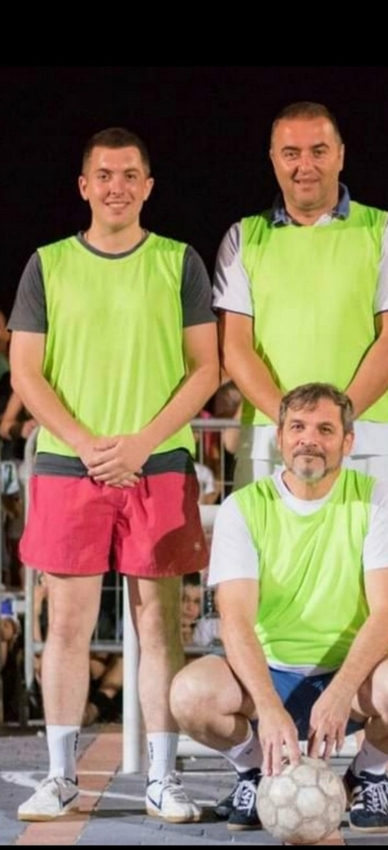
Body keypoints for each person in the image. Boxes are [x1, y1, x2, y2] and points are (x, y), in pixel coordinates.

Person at [9, 127, 219, 823]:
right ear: (84, 185)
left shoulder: (179, 262)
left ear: (148, 186)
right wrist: (86, 443)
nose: (117, 186)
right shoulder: (47, 264)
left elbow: (206, 369)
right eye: (104, 174)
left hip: (156, 464)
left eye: (130, 174)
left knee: (159, 626)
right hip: (70, 465)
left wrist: (141, 444)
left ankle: (163, 777)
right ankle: (60, 776)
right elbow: (27, 373)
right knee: (66, 625)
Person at [170, 383, 388, 834]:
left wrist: (339, 692)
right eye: (297, 427)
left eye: (325, 429)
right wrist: (269, 707)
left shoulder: (375, 498)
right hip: (268, 673)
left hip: (349, 676)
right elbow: (235, 621)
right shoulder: (243, 507)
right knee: (189, 694)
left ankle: (367, 775)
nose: (309, 439)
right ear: (279, 437)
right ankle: (256, 773)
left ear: (347, 442)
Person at [213, 101, 388, 500]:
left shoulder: (386, 231)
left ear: (340, 155)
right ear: (273, 159)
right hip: (270, 444)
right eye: (291, 153)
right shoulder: (242, 237)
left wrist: (335, 423)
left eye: (318, 151)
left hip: (364, 442)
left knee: (372, 546)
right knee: (261, 547)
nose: (304, 165)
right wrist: (295, 427)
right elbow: (234, 347)